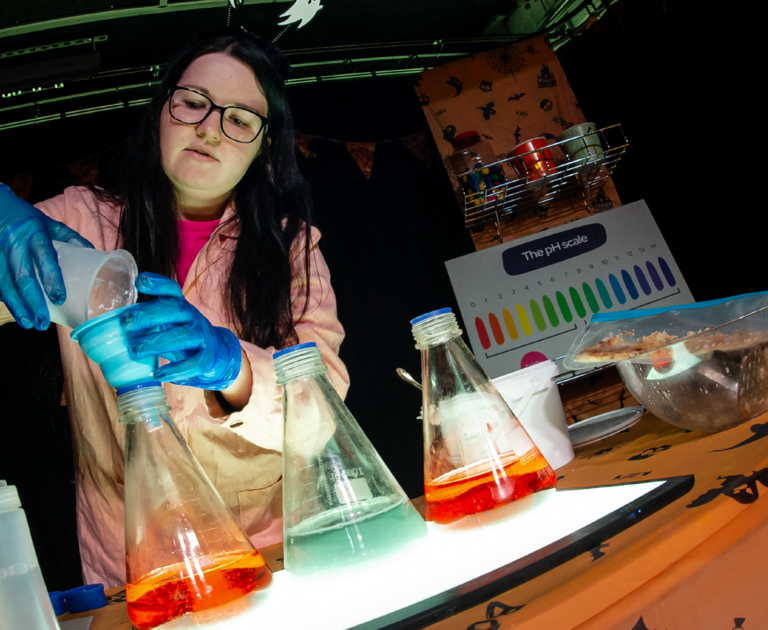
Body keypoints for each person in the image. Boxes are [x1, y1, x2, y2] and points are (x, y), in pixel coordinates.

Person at [0, 28, 348, 588]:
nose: (210, 127)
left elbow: (322, 415)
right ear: (161, 112)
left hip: (271, 553)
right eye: (192, 103)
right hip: (136, 557)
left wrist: (230, 364)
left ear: (264, 146)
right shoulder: (81, 223)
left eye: (238, 119)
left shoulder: (291, 247)